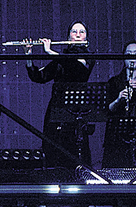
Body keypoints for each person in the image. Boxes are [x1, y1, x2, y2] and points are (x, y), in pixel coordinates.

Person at [24, 22, 94, 168]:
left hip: (77, 111)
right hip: (57, 111)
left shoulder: (88, 57)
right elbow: (40, 77)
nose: (78, 35)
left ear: (86, 38)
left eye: (81, 32)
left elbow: (77, 68)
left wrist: (50, 51)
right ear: (68, 36)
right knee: (54, 151)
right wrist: (28, 56)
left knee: (76, 153)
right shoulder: (61, 59)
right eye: (74, 32)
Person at [104, 41, 136, 167]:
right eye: (128, 54)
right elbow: (106, 110)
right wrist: (119, 100)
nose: (132, 57)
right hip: (118, 136)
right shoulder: (114, 82)